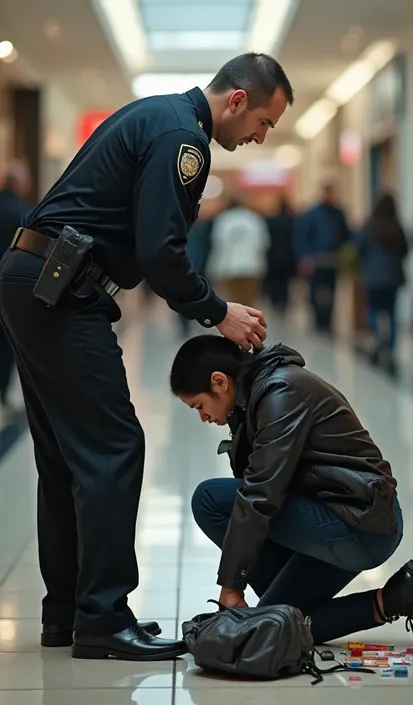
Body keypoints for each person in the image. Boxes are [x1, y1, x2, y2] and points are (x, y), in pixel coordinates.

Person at [0, 52, 294, 661]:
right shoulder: (184, 138)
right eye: (264, 122)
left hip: (36, 277)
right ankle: (103, 618)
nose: (262, 136)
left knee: (64, 458)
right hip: (60, 289)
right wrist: (219, 312)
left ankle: (68, 616)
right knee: (114, 448)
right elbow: (159, 252)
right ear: (237, 100)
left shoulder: (158, 118)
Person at [170, 335, 413, 646]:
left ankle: (282, 607)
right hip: (341, 515)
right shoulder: (257, 395)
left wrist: (232, 586)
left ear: (219, 382)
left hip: (359, 522)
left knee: (210, 499)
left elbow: (259, 495)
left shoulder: (279, 392)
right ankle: (395, 598)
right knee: (269, 628)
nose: (203, 417)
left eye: (199, 406)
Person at [356, 193, 409, 362]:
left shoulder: (370, 227)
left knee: (373, 310)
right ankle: (390, 347)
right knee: (391, 312)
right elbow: (405, 251)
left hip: (373, 278)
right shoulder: (397, 228)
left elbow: (359, 248)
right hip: (393, 278)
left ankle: (377, 338)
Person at [294, 184, 350, 334]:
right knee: (316, 292)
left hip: (332, 260)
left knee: (331, 292)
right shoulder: (312, 214)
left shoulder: (339, 214)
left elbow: (345, 235)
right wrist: (304, 257)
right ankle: (318, 321)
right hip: (316, 260)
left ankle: (327, 322)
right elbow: (303, 236)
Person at [0, 162, 31, 419]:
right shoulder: (22, 213)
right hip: (7, 285)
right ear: (18, 183)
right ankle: (2, 393)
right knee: (7, 340)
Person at [207, 198, 270, 307]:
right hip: (251, 267)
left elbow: (218, 245)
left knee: (232, 305)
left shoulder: (224, 220)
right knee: (249, 304)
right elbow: (263, 243)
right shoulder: (254, 219)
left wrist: (214, 269)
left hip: (229, 267)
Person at [264, 196, 296, 313]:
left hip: (273, 257)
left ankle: (275, 300)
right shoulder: (291, 221)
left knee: (275, 281)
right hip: (288, 257)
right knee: (285, 282)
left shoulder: (271, 221)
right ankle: (284, 301)